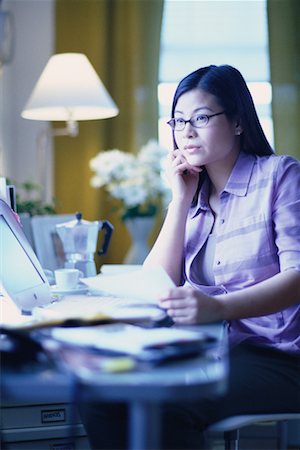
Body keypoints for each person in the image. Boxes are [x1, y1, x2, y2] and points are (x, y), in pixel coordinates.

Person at [80, 64, 300, 449]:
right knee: (99, 393)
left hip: (279, 356)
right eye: (179, 121)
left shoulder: (280, 175)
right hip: (210, 346)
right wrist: (179, 199)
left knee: (165, 404)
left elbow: (297, 277)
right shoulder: (194, 196)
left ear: (237, 122)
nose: (187, 132)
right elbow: (157, 284)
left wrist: (218, 308)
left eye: (201, 118)